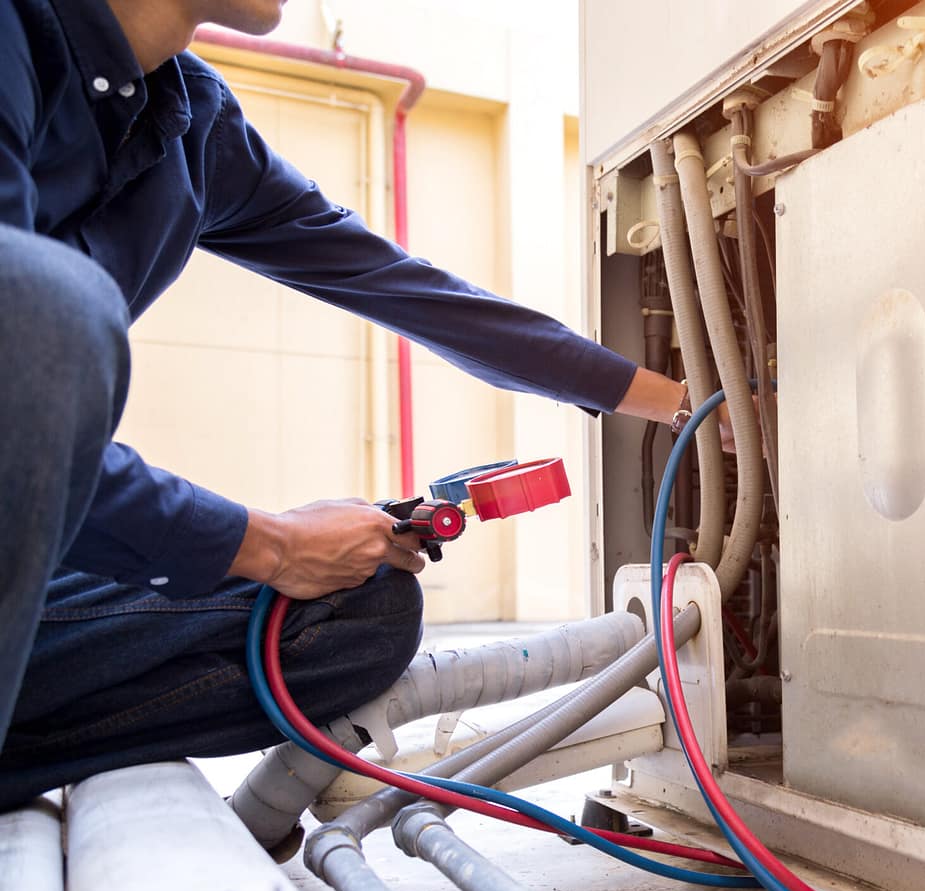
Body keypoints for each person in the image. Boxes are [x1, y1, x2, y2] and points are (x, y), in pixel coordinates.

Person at [0, 0, 698, 810]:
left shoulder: (192, 125)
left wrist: (678, 400)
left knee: (357, 604)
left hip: (32, 583)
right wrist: (263, 544)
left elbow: (413, 292)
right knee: (48, 303)